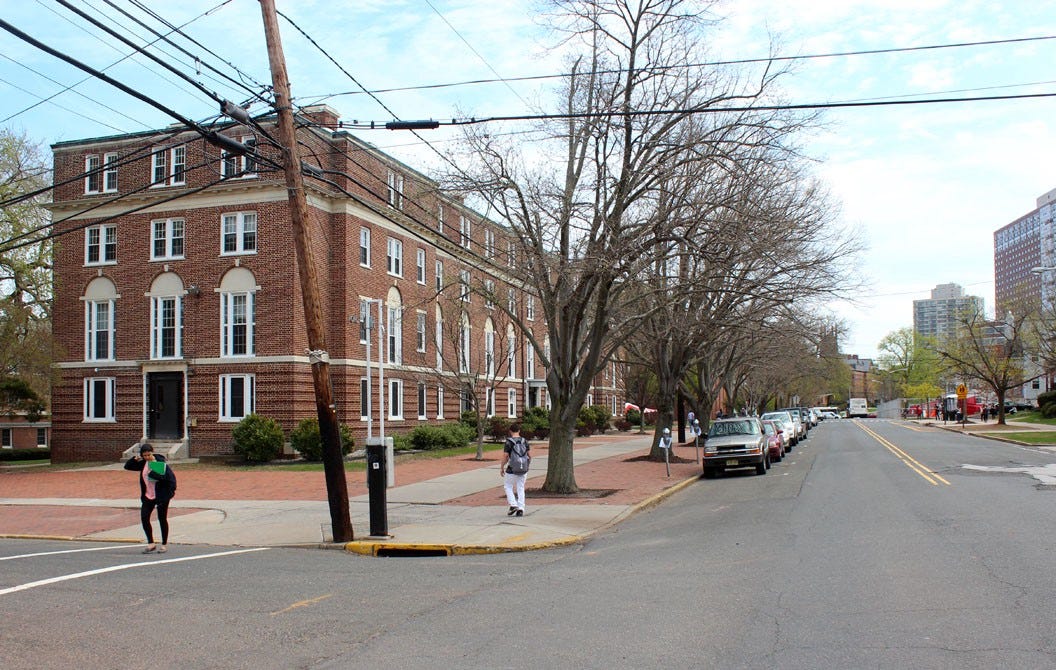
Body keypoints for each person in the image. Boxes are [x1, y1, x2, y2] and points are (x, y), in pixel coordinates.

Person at [124, 443, 177, 553]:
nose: (147, 457)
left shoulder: (159, 463)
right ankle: (151, 543)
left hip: (161, 496)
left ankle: (164, 544)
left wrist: (153, 469)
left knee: (162, 518)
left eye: (149, 454)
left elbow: (164, 478)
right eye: (145, 455)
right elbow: (127, 466)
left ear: (153, 452)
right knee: (144, 517)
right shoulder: (143, 463)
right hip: (148, 496)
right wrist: (134, 459)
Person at [500, 423, 530, 517]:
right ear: (519, 431)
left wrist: (502, 467)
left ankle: (513, 504)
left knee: (508, 486)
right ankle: (521, 508)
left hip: (512, 469)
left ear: (510, 431)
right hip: (523, 468)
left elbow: (506, 456)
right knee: (520, 488)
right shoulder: (524, 441)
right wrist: (526, 465)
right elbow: (529, 455)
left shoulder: (509, 442)